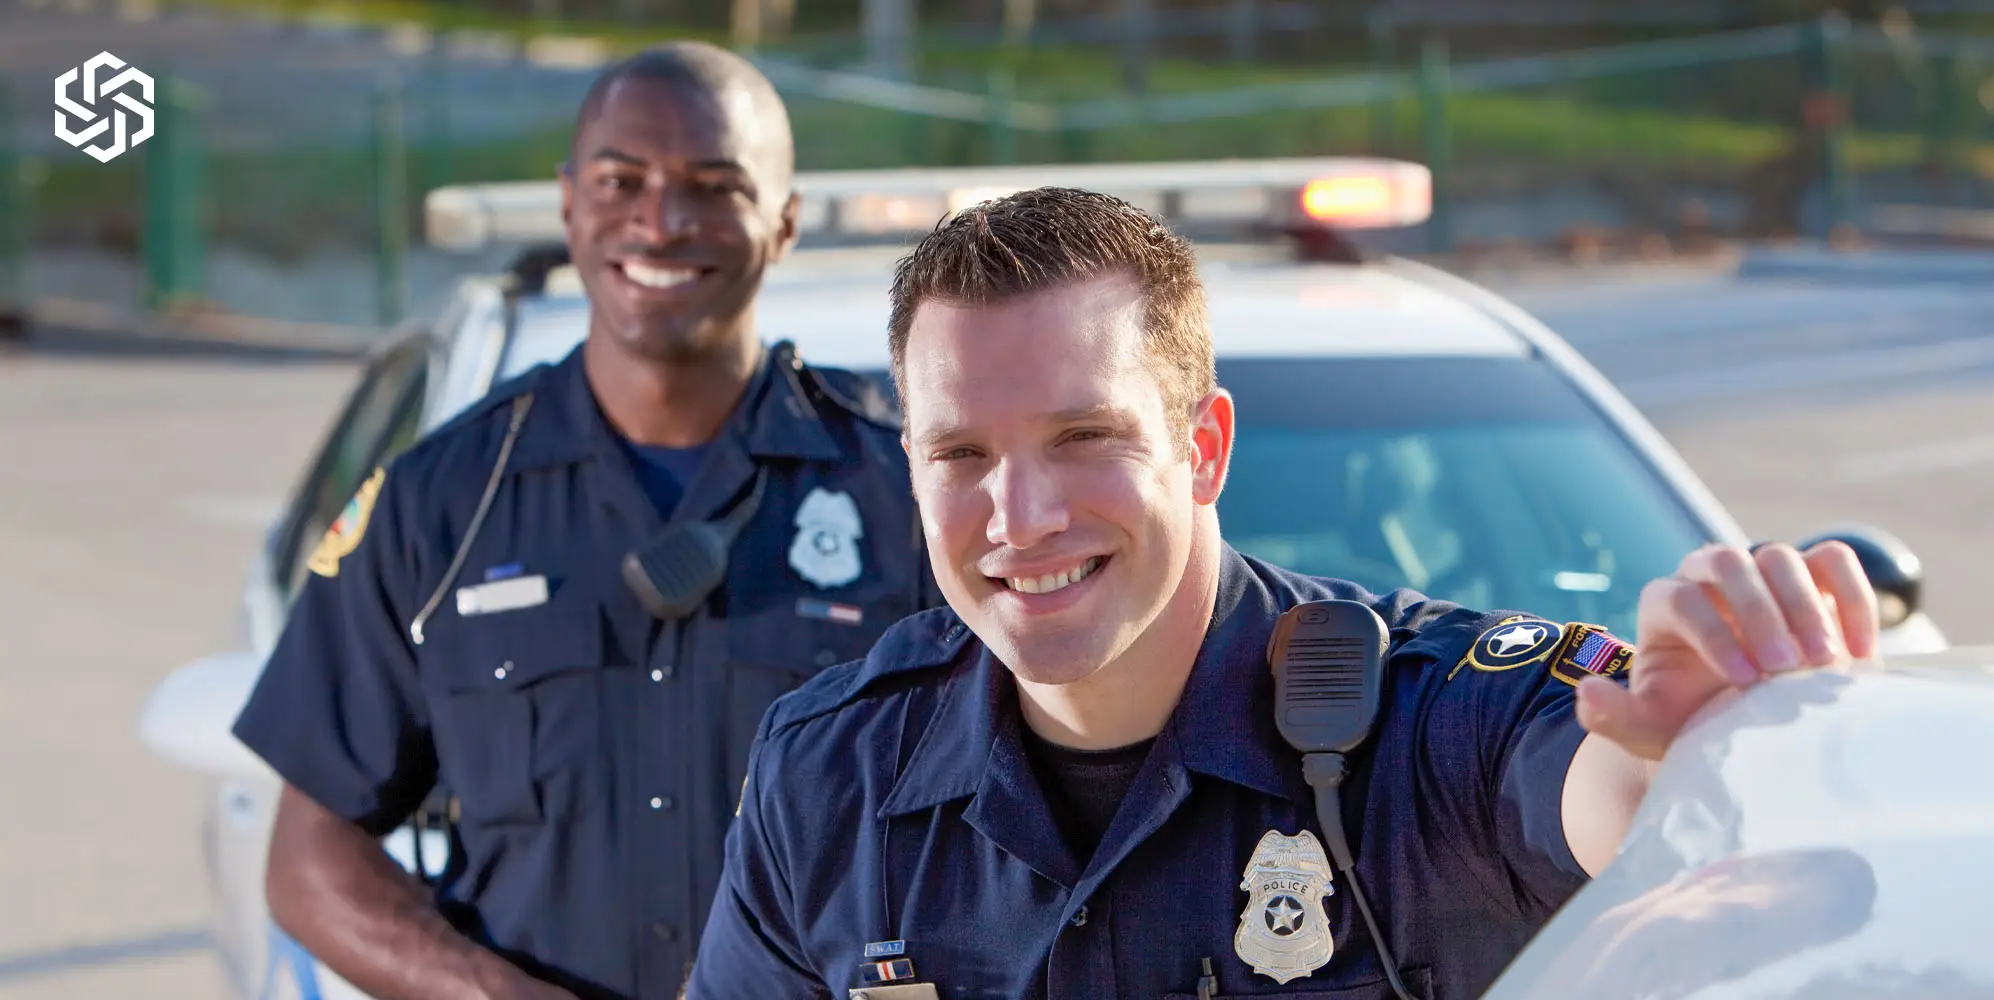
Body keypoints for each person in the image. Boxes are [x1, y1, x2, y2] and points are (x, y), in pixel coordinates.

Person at [685, 187, 1883, 1000]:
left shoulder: (1424, 729)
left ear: (1203, 448)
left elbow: (1602, 784)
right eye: (960, 456)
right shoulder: (828, 773)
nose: (1019, 516)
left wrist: (1689, 745)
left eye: (1082, 436)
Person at [231, 43, 941, 1000]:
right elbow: (309, 857)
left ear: (784, 222)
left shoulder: (909, 486)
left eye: (714, 184)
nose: (662, 220)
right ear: (570, 203)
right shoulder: (442, 501)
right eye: (622, 180)